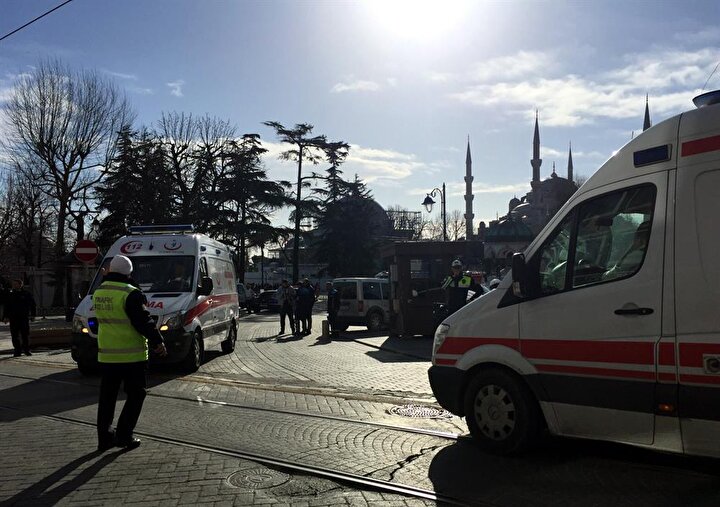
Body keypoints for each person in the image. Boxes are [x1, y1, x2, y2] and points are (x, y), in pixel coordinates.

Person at [94, 254, 167, 451]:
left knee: (107, 398)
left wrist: (106, 276)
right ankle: (124, 435)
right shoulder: (131, 293)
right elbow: (143, 321)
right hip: (131, 356)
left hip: (107, 354)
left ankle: (104, 438)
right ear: (129, 272)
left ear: (110, 270)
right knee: (136, 395)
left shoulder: (100, 291)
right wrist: (157, 341)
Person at [3, 279, 36, 357]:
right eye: (13, 284)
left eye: (16, 284)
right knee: (14, 335)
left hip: (23, 317)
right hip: (13, 318)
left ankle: (26, 350)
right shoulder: (10, 294)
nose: (14, 286)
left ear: (20, 285)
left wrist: (33, 315)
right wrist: (5, 317)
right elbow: (7, 306)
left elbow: (33, 305)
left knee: (25, 334)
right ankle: (17, 350)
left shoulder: (26, 294)